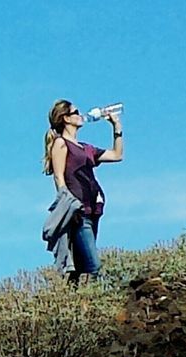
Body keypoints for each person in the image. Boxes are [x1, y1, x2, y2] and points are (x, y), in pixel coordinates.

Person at [42, 99, 123, 282]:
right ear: (65, 118)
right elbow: (59, 176)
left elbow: (117, 155)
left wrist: (116, 127)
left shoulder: (86, 148)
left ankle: (76, 302)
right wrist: (68, 204)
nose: (80, 115)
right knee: (93, 266)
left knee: (80, 266)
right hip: (78, 212)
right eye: (75, 112)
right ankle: (90, 301)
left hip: (92, 209)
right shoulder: (61, 144)